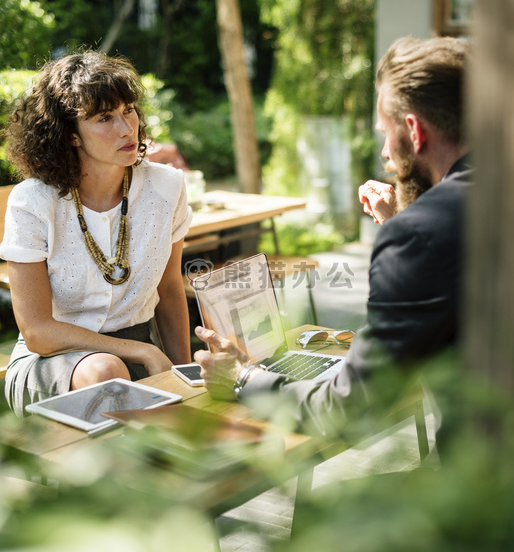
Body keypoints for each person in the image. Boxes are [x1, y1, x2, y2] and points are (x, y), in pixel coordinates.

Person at [193, 36, 472, 437]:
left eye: (384, 134)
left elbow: (349, 407)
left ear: (413, 130)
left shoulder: (417, 235)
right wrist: (403, 221)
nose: (385, 156)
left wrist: (242, 379)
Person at [0, 51, 192, 416]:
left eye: (129, 110)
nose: (126, 128)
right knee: (107, 371)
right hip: (55, 362)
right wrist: (144, 351)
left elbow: (169, 290)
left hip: (141, 354)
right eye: (105, 118)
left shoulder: (167, 187)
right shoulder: (33, 201)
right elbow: (38, 331)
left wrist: (183, 376)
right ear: (71, 135)